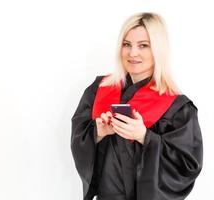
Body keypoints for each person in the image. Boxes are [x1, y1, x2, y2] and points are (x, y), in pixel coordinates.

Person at [70, 12, 203, 200]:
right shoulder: (99, 89)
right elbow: (78, 138)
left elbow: (187, 166)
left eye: (143, 46)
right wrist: (97, 132)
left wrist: (145, 137)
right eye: (127, 44)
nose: (133, 53)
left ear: (158, 50)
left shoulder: (177, 107)